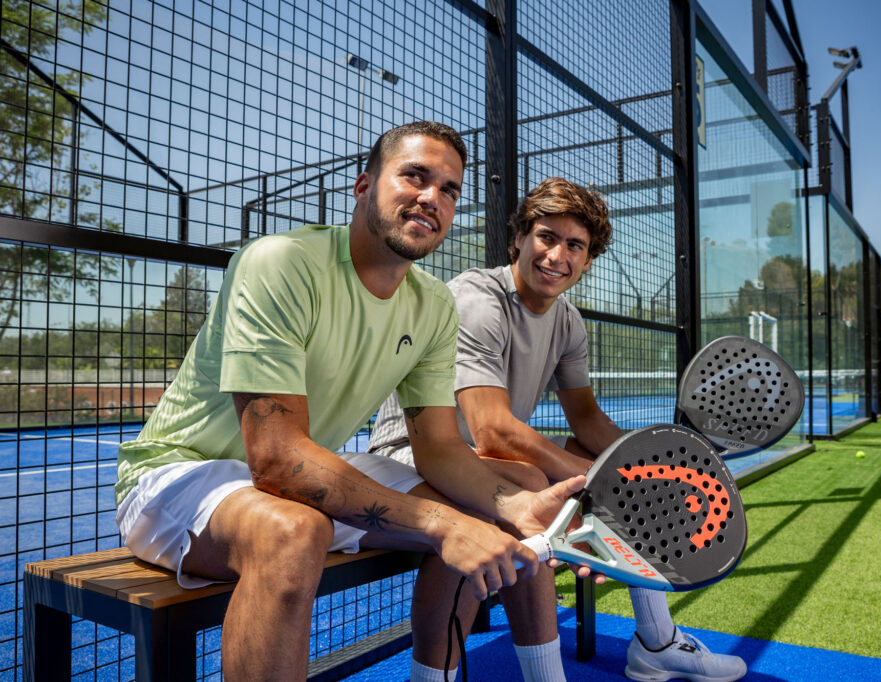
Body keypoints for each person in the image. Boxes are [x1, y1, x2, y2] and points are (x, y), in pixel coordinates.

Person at [114, 122, 586, 682]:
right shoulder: (280, 261)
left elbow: (439, 449)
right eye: (414, 175)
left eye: (449, 189)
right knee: (293, 532)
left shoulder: (433, 304)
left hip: (299, 469)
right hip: (177, 474)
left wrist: (514, 507)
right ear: (364, 186)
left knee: (497, 498)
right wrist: (441, 524)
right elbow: (278, 458)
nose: (431, 197)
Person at [369, 177, 748, 682]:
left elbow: (587, 420)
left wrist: (659, 471)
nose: (557, 255)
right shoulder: (476, 300)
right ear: (521, 239)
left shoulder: (567, 321)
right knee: (540, 487)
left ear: (587, 261)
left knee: (596, 474)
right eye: (547, 236)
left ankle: (656, 643)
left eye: (575, 245)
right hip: (410, 458)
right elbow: (493, 432)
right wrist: (610, 479)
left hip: (482, 467)